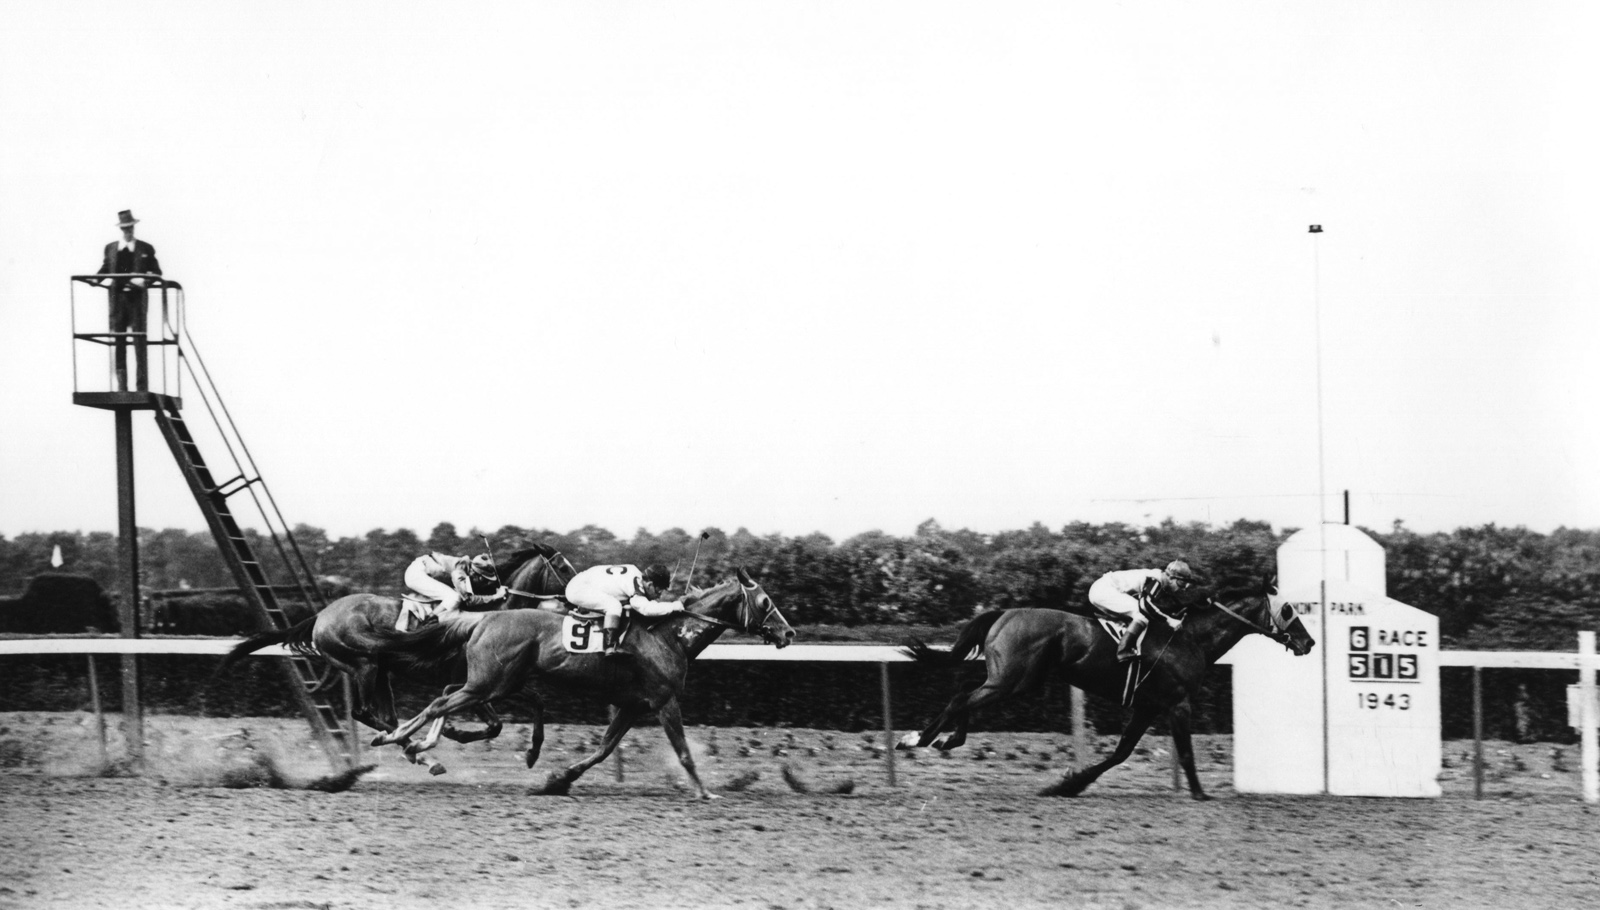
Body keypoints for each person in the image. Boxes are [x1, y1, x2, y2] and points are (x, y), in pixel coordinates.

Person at [95, 210, 162, 391]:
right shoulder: (111, 248)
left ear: (134, 227)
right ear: (121, 229)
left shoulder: (145, 249)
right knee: (119, 341)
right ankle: (122, 385)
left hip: (136, 301)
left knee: (139, 341)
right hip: (117, 301)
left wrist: (144, 280)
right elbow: (106, 267)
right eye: (125, 228)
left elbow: (157, 272)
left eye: (130, 227)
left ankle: (141, 385)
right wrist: (96, 279)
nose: (128, 231)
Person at [563, 563, 684, 657]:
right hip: (578, 588)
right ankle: (610, 648)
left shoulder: (636, 574)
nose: (660, 595)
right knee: (614, 606)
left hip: (582, 582)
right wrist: (674, 606)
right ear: (650, 584)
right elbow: (645, 609)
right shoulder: (636, 584)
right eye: (659, 590)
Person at [1087, 560, 1198, 663]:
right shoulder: (1155, 580)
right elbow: (1145, 606)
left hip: (1101, 589)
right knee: (1141, 615)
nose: (1183, 588)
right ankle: (1123, 651)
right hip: (1103, 590)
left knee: (1139, 614)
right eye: (1182, 584)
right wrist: (1169, 620)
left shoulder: (1159, 580)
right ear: (1171, 578)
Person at [402, 551, 508, 627]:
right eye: (483, 579)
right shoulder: (459, 574)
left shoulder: (469, 568)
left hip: (424, 567)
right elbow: (469, 601)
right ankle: (427, 622)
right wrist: (495, 597)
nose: (483, 582)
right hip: (415, 574)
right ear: (474, 573)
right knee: (454, 597)